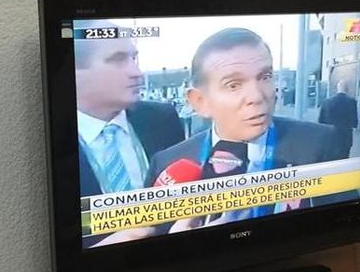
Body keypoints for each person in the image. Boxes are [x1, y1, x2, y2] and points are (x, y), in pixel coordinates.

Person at [145, 28, 344, 230]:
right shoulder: (165, 164)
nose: (256, 96)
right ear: (200, 101)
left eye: (265, 77)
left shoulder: (320, 144)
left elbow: (343, 226)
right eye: (233, 85)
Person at [74, 22, 185, 245]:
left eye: (133, 58)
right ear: (74, 72)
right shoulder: (51, 141)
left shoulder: (162, 119)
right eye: (118, 60)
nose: (137, 72)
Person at [318, 79, 358, 157]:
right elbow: (354, 122)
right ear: (347, 89)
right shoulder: (352, 101)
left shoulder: (327, 102)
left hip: (330, 136)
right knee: (344, 159)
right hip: (345, 137)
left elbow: (320, 121)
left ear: (337, 88)